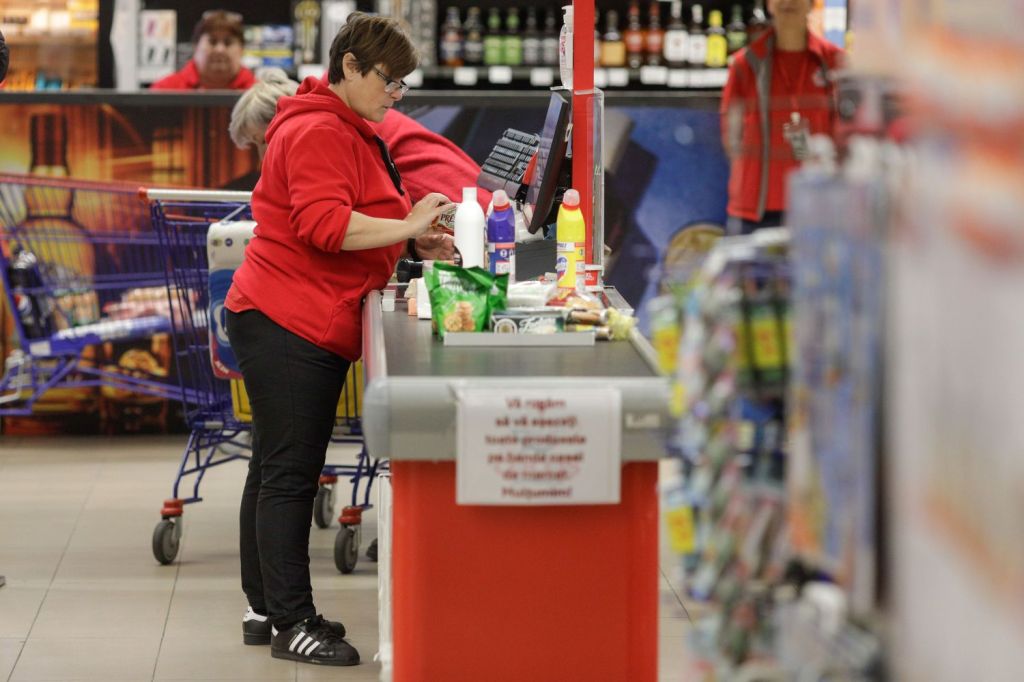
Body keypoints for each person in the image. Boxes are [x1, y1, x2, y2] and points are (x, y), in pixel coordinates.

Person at [223, 13, 451, 667]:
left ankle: (267, 609)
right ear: (349, 66)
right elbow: (325, 226)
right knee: (290, 475)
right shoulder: (321, 129)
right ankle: (292, 623)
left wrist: (411, 238)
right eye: (389, 80)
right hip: (288, 319)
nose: (395, 94)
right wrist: (406, 226)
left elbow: (360, 215)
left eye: (403, 84)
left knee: (273, 468)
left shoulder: (344, 125)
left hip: (286, 313)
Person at [227, 67, 489, 258]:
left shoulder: (321, 132)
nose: (263, 156)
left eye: (263, 141)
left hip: (471, 222)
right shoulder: (339, 117)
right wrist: (410, 242)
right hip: (471, 214)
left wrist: (409, 231)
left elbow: (335, 228)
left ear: (281, 117)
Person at [720, 0, 843, 234]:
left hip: (819, 210)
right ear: (769, 5)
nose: (788, 1)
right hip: (754, 212)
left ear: (812, 4)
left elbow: (847, 136)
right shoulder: (745, 65)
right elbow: (731, 140)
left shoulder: (835, 63)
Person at [150, 10, 255, 90]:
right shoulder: (165, 89)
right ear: (195, 47)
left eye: (228, 43)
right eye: (212, 42)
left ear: (242, 49)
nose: (220, 50)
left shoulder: (258, 94)